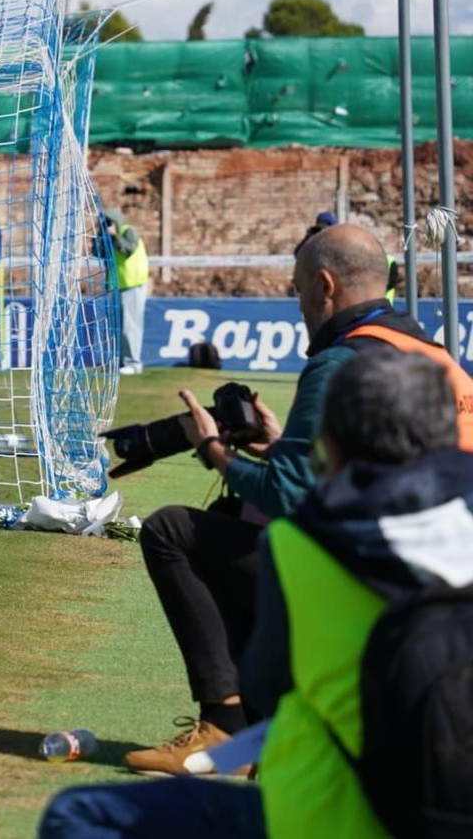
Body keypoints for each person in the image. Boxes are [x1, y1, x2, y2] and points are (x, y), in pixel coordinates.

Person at [39, 351, 472, 837]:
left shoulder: (306, 541)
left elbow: (266, 685)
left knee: (77, 813)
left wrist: (225, 452)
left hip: (333, 814)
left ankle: (221, 731)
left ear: (333, 440)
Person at [123, 223, 466, 775]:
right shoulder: (430, 353)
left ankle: (229, 725)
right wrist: (283, 446)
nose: (298, 303)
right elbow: (385, 468)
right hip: (447, 583)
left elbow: (289, 497)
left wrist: (212, 447)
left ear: (326, 286)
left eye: (300, 287)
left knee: (172, 530)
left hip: (384, 590)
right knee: (231, 520)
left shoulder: (339, 361)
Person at [101, 206, 149, 375]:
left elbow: (127, 250)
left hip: (132, 285)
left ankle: (133, 363)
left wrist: (115, 236)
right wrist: (100, 237)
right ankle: (118, 362)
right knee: (115, 328)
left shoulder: (129, 232)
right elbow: (97, 253)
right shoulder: (107, 237)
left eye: (109, 222)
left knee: (130, 327)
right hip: (115, 286)